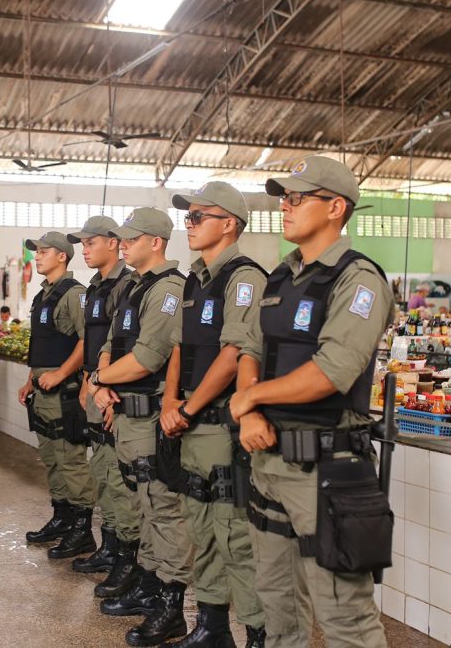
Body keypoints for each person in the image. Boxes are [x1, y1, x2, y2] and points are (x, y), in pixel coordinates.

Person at [229, 156, 393, 647]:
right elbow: (251, 349)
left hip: (325, 468)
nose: (285, 207)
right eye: (283, 198)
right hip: (268, 459)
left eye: (298, 198)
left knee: (344, 614)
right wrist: (250, 410)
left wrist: (249, 398)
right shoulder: (282, 276)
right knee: (277, 603)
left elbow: (332, 372)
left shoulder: (358, 279)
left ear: (335, 207)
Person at [161, 182, 268, 647]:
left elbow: (233, 355)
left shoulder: (245, 278)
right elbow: (181, 348)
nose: (189, 224)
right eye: (188, 217)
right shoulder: (193, 279)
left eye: (197, 216)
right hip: (190, 425)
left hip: (221, 425)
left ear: (229, 224)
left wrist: (186, 406)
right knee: (200, 528)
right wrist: (169, 401)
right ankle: (212, 626)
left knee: (235, 538)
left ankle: (260, 633)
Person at [90, 208, 193, 646]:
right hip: (126, 412)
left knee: (163, 508)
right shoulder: (133, 286)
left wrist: (100, 381)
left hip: (151, 414)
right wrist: (101, 382)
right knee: (143, 502)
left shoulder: (169, 289)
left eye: (131, 239)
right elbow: (111, 347)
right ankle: (149, 584)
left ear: (156, 242)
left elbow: (148, 359)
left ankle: (171, 605)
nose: (124, 244)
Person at [66, 216, 140, 578]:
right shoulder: (95, 286)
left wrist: (115, 393)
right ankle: (109, 545)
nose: (85, 250)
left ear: (114, 242)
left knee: (117, 476)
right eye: (82, 244)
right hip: (96, 387)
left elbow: (128, 345)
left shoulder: (126, 285)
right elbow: (98, 342)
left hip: (113, 392)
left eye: (91, 243)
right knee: (101, 473)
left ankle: (126, 556)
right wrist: (87, 381)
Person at [16, 232, 98, 559]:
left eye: (43, 251)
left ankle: (82, 530)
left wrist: (62, 374)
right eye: (36, 252)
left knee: (71, 460)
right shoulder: (43, 295)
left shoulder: (74, 294)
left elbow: (86, 340)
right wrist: (29, 380)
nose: (37, 257)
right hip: (42, 390)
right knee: (52, 459)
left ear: (62, 256)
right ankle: (62, 518)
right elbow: (42, 345)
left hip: (65, 392)